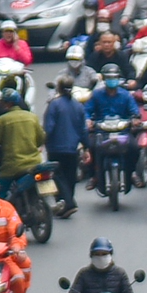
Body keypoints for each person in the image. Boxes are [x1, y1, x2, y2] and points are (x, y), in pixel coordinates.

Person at [86, 68, 143, 192]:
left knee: (134, 148)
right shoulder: (96, 95)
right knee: (90, 147)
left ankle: (132, 172)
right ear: (105, 80)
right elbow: (87, 110)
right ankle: (94, 176)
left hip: (122, 131)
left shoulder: (126, 95)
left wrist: (135, 119)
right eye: (109, 78)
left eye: (114, 78)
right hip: (102, 131)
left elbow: (134, 111)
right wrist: (88, 120)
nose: (112, 81)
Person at [0, 89, 48, 192]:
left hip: (12, 167)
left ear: (8, 104)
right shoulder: (32, 117)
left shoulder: (1, 121)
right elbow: (41, 140)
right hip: (35, 163)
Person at [44, 78, 89, 218]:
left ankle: (68, 203)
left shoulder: (54, 105)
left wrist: (40, 142)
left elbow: (48, 128)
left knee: (57, 176)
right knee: (70, 177)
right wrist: (87, 147)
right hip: (72, 149)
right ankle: (67, 203)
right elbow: (83, 129)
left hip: (55, 148)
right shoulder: (78, 106)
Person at [66, 237, 133, 293]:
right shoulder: (84, 273)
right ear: (91, 255)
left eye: (104, 254)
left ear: (110, 254)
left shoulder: (119, 273)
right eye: (97, 254)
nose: (100, 257)